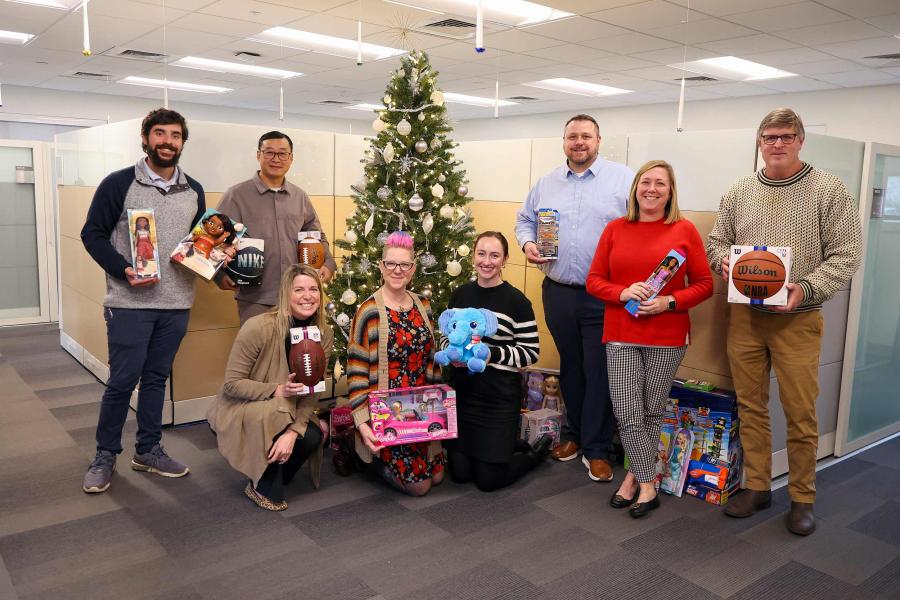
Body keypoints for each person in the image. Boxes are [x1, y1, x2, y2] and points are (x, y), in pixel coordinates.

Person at [706, 108, 862, 535]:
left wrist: (803, 290)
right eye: (769, 136)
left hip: (799, 319)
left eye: (786, 136)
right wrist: (724, 263)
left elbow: (847, 255)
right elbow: (717, 240)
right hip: (744, 318)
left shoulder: (828, 190)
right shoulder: (740, 189)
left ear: (800, 140)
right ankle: (757, 487)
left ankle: (802, 496)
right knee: (751, 405)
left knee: (799, 412)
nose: (777, 144)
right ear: (759, 142)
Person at [80, 108, 205, 493]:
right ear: (146, 138)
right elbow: (93, 234)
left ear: (183, 142)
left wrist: (217, 257)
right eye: (160, 134)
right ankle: (104, 455)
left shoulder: (194, 190)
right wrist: (122, 269)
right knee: (122, 382)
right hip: (130, 303)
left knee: (156, 380)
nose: (167, 142)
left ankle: (148, 450)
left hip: (177, 303)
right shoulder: (118, 184)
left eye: (175, 136)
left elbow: (199, 245)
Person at [586, 160, 713, 518]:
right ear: (635, 188)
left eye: (660, 183)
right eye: (646, 182)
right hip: (622, 333)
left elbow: (705, 285)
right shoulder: (615, 228)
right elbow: (594, 281)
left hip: (667, 335)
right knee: (627, 414)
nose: (652, 189)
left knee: (651, 412)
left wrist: (669, 301)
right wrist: (623, 291)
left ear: (670, 191)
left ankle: (632, 478)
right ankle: (648, 483)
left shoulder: (684, 230)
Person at [515, 114, 634, 482]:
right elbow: (524, 221)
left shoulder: (623, 179)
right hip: (559, 292)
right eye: (572, 137)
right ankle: (573, 436)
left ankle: (597, 447)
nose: (579, 142)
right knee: (571, 367)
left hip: (604, 296)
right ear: (563, 141)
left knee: (599, 370)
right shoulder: (546, 183)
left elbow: (641, 227)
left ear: (599, 140)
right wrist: (529, 243)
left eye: (586, 136)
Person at [207, 264, 333, 511]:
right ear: (286, 293)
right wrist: (277, 390)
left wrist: (292, 433)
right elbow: (232, 385)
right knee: (279, 414)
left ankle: (274, 467)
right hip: (246, 405)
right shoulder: (258, 327)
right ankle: (260, 482)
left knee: (311, 436)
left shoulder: (323, 333)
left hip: (287, 409)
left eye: (313, 289)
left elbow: (314, 389)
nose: (308, 296)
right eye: (299, 290)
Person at [442, 231, 551, 492]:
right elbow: (445, 339)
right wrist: (452, 354)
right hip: (464, 397)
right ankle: (508, 444)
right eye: (481, 254)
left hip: (498, 399)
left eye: (494, 255)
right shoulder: (460, 295)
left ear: (505, 260)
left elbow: (530, 351)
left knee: (488, 480)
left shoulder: (517, 302)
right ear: (473, 257)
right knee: (459, 474)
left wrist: (492, 355)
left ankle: (531, 456)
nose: (487, 261)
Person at [347, 231, 445, 496]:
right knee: (421, 487)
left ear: (413, 269)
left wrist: (440, 410)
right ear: (381, 266)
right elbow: (355, 371)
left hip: (421, 411)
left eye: (404, 264)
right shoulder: (368, 311)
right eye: (391, 263)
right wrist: (363, 423)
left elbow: (433, 360)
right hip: (387, 415)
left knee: (437, 478)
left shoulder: (424, 305)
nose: (397, 270)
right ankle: (369, 462)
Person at [216, 131, 336, 324]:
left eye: (282, 154)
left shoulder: (300, 197)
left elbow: (316, 236)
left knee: (297, 353)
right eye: (269, 153)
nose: (276, 159)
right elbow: (215, 239)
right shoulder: (236, 195)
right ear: (258, 155)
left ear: (291, 158)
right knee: (261, 353)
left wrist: (329, 264)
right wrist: (218, 275)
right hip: (256, 299)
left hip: (298, 298)